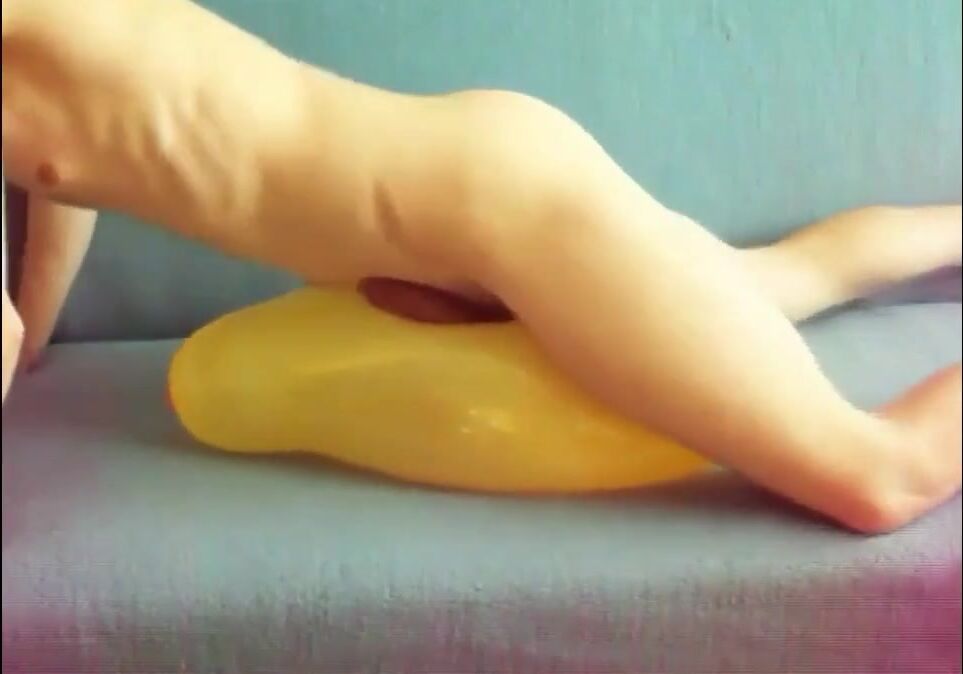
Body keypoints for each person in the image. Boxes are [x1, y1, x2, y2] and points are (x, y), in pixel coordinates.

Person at [2, 0, 960, 533]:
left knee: (878, 479)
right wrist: (36, 336)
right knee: (778, 281)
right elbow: (66, 176)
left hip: (490, 205)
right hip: (439, 231)